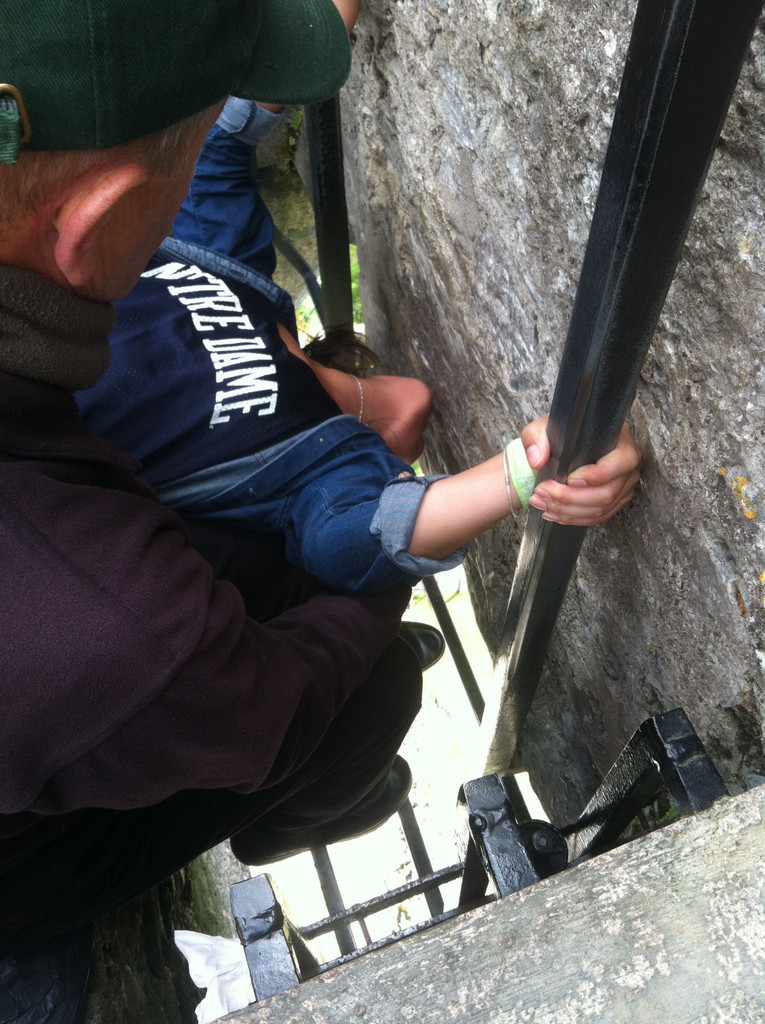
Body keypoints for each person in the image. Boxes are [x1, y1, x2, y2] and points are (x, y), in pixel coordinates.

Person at [0, 4, 639, 1021]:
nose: (410, 402)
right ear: (91, 224)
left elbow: (227, 139)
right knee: (367, 687)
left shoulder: (229, 284)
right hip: (29, 852)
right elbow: (366, 544)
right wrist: (526, 473)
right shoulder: (295, 486)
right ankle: (290, 809)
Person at [77, 98, 640, 596]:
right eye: (402, 465)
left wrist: (545, 456)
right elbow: (361, 533)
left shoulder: (311, 462)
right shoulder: (318, 460)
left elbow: (224, 137)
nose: (404, 456)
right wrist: (549, 453)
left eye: (402, 462)